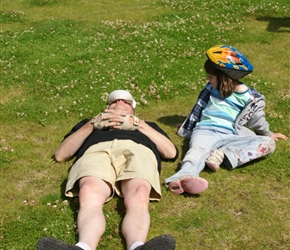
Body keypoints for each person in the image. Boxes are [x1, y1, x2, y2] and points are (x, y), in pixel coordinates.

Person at [37, 90, 178, 250]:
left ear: (133, 109)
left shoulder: (148, 125)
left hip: (137, 150)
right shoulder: (89, 124)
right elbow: (61, 154)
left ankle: (137, 246)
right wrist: (91, 125)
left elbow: (171, 152)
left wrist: (139, 125)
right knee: (89, 190)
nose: (119, 103)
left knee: (139, 192)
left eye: (126, 102)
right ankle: (83, 247)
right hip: (97, 150)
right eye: (114, 101)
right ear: (107, 108)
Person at [165, 45, 288, 195]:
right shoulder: (211, 89)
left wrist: (268, 134)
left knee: (268, 144)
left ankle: (223, 154)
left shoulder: (249, 97)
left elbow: (257, 119)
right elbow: (198, 109)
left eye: (210, 77)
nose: (208, 80)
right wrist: (187, 126)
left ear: (223, 78)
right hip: (205, 131)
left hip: (232, 135)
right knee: (196, 152)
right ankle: (183, 177)